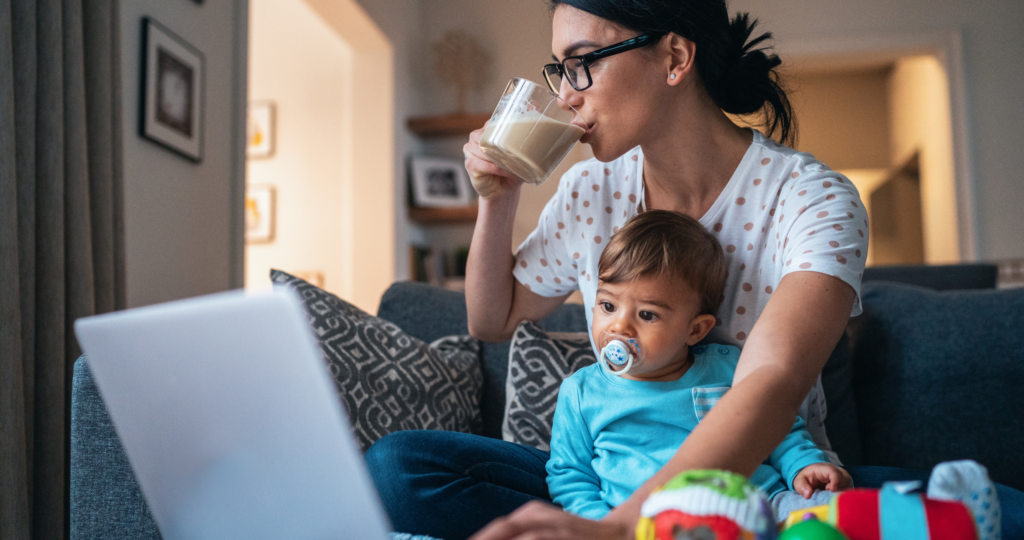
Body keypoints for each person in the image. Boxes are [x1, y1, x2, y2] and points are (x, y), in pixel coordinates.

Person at [365, 1, 884, 539]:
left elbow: (769, 384)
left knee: (931, 496)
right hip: (612, 486)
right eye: (560, 69)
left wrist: (620, 531)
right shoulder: (590, 189)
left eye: (582, 62)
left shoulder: (812, 199)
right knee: (398, 466)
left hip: (762, 484)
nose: (566, 95)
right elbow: (491, 321)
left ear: (675, 58)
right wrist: (498, 198)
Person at [547, 210, 852, 524]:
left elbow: (777, 431)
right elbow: (571, 477)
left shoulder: (729, 367)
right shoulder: (581, 393)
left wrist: (804, 466)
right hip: (649, 526)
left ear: (695, 330)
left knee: (832, 511)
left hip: (758, 507)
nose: (619, 326)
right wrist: (599, 526)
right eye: (608, 306)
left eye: (647, 315)